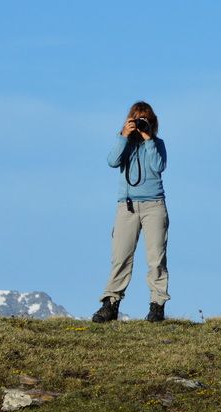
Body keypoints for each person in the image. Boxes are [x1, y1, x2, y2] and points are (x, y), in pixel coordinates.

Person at [92, 101, 169, 323]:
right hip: (126, 206)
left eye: (145, 119)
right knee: (120, 257)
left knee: (156, 259)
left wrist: (148, 138)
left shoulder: (157, 143)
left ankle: (157, 306)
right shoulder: (123, 142)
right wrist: (124, 136)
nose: (141, 123)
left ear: (152, 122)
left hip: (154, 206)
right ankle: (110, 304)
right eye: (137, 119)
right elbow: (112, 161)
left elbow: (158, 166)